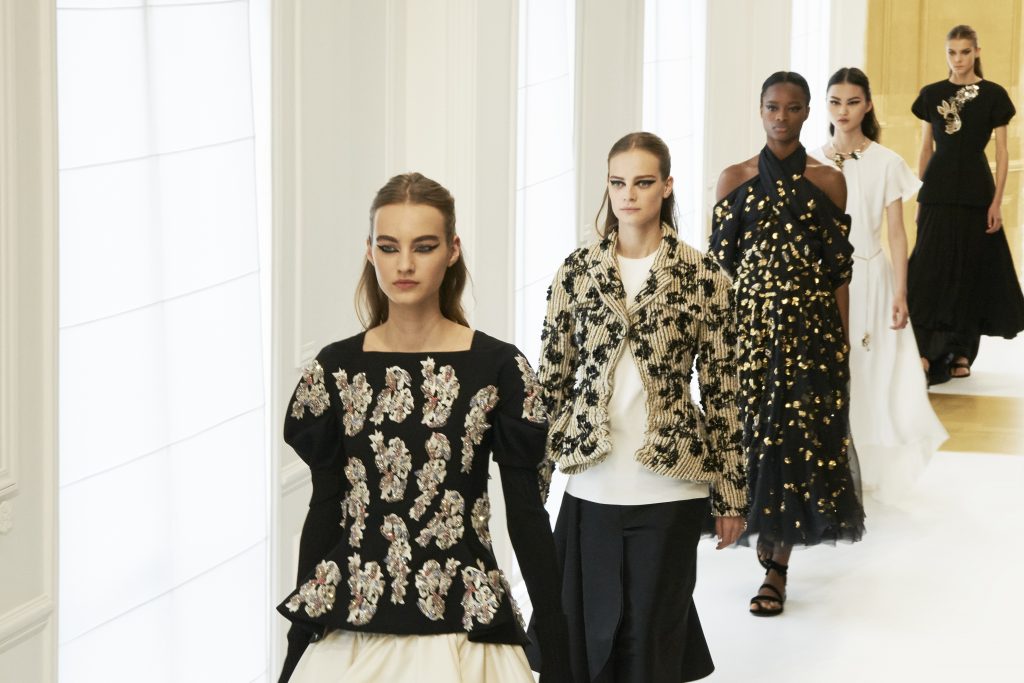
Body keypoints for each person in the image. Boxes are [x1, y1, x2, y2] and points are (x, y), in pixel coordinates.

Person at [276, 172, 572, 683]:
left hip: (466, 632)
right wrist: (299, 635)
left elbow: (526, 516)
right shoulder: (335, 369)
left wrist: (559, 646)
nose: (405, 264)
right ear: (369, 251)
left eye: (424, 246)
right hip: (353, 632)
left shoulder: (498, 368)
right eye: (389, 247)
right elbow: (326, 507)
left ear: (452, 250)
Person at [534, 131, 747, 682]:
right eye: (618, 182)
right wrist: (534, 485)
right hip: (591, 484)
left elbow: (724, 394)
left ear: (667, 186)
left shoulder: (703, 276)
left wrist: (731, 496)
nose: (628, 194)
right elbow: (551, 384)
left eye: (643, 182)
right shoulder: (577, 271)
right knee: (585, 641)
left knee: (651, 643)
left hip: (670, 485)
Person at [710, 72, 865, 618]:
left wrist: (841, 344)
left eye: (793, 108)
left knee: (797, 440)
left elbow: (838, 272)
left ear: (807, 113)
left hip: (810, 332)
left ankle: (776, 565)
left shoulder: (828, 181)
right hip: (749, 331)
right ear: (760, 111)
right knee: (755, 436)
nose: (781, 117)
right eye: (773, 107)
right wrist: (717, 343)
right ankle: (761, 533)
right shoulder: (734, 179)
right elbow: (720, 272)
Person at [809, 67, 947, 503]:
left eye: (852, 102)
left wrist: (901, 292)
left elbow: (897, 233)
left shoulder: (887, 162)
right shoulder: (810, 162)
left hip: (871, 276)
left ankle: (866, 467)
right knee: (832, 371)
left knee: (874, 371)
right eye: (835, 102)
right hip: (823, 281)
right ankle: (831, 465)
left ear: (867, 105)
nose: (843, 111)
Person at [908, 24, 1024, 384]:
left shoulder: (994, 95)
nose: (958, 59)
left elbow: (1002, 154)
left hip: (976, 191)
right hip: (937, 190)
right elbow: (925, 149)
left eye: (964, 52)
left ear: (976, 52)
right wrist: (920, 196)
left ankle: (961, 351)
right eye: (951, 52)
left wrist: (997, 202)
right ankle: (924, 350)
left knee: (969, 271)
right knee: (927, 270)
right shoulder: (931, 94)